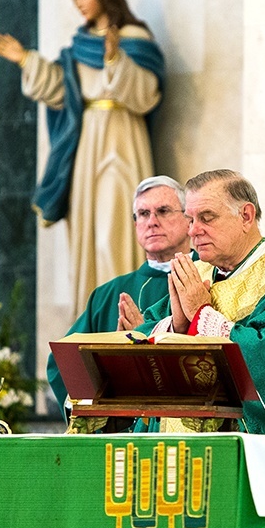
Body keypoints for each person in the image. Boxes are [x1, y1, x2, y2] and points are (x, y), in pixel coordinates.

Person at [0, 0, 165, 319]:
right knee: (86, 237)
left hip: (121, 137)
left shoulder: (133, 37)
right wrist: (25, 59)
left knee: (111, 232)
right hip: (86, 145)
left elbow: (147, 94)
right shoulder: (78, 45)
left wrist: (117, 61)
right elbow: (62, 90)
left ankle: (126, 314)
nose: (79, 5)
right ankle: (93, 319)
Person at [140, 169, 265, 436]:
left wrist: (201, 314)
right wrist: (177, 326)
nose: (193, 231)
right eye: (190, 219)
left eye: (207, 218)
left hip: (251, 452)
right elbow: (145, 332)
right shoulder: (197, 273)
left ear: (246, 216)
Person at [47, 175, 198, 418]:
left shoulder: (210, 276)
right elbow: (62, 363)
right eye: (143, 214)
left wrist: (146, 339)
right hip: (120, 429)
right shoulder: (108, 295)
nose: (152, 222)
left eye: (163, 211)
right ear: (135, 223)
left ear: (188, 219)